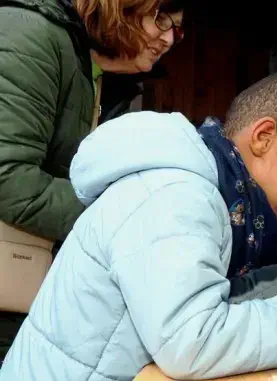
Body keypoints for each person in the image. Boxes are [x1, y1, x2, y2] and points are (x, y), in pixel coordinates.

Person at [0, 70, 277, 380]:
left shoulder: (202, 189)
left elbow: (202, 301)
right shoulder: (179, 195)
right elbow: (191, 341)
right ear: (263, 137)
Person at [0, 0, 185, 362]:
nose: (168, 39)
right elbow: (9, 179)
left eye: (177, 30)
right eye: (161, 19)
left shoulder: (89, 66)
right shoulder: (32, 35)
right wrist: (125, 218)